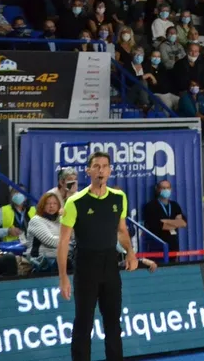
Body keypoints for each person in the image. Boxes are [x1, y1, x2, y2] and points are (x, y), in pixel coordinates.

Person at [58, 151, 137, 361]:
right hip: (86, 266)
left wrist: (130, 253)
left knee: (113, 323)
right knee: (83, 323)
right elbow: (63, 242)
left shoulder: (119, 197)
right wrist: (63, 277)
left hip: (110, 265)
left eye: (104, 166)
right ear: (88, 171)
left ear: (110, 171)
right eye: (96, 166)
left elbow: (122, 230)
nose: (101, 170)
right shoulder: (75, 201)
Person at [141, 179, 186, 255]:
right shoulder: (150, 206)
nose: (166, 190)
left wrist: (166, 221)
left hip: (173, 245)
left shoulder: (175, 205)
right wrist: (175, 223)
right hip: (157, 246)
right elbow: (158, 226)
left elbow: (183, 223)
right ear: (158, 189)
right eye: (163, 188)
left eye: (168, 188)